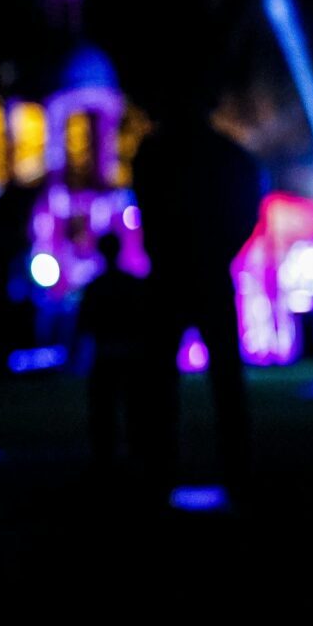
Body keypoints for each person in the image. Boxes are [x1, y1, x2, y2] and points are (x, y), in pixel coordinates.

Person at [128, 58, 266, 500]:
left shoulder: (159, 152)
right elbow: (247, 208)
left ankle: (169, 471)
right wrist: (219, 249)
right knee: (210, 381)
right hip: (197, 273)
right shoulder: (223, 154)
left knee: (177, 382)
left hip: (180, 273)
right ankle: (220, 470)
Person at [72, 230, 157, 478]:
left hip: (107, 356)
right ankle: (134, 455)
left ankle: (107, 459)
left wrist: (75, 355)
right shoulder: (131, 284)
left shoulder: (96, 286)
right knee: (132, 410)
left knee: (105, 411)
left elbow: (84, 324)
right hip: (128, 356)